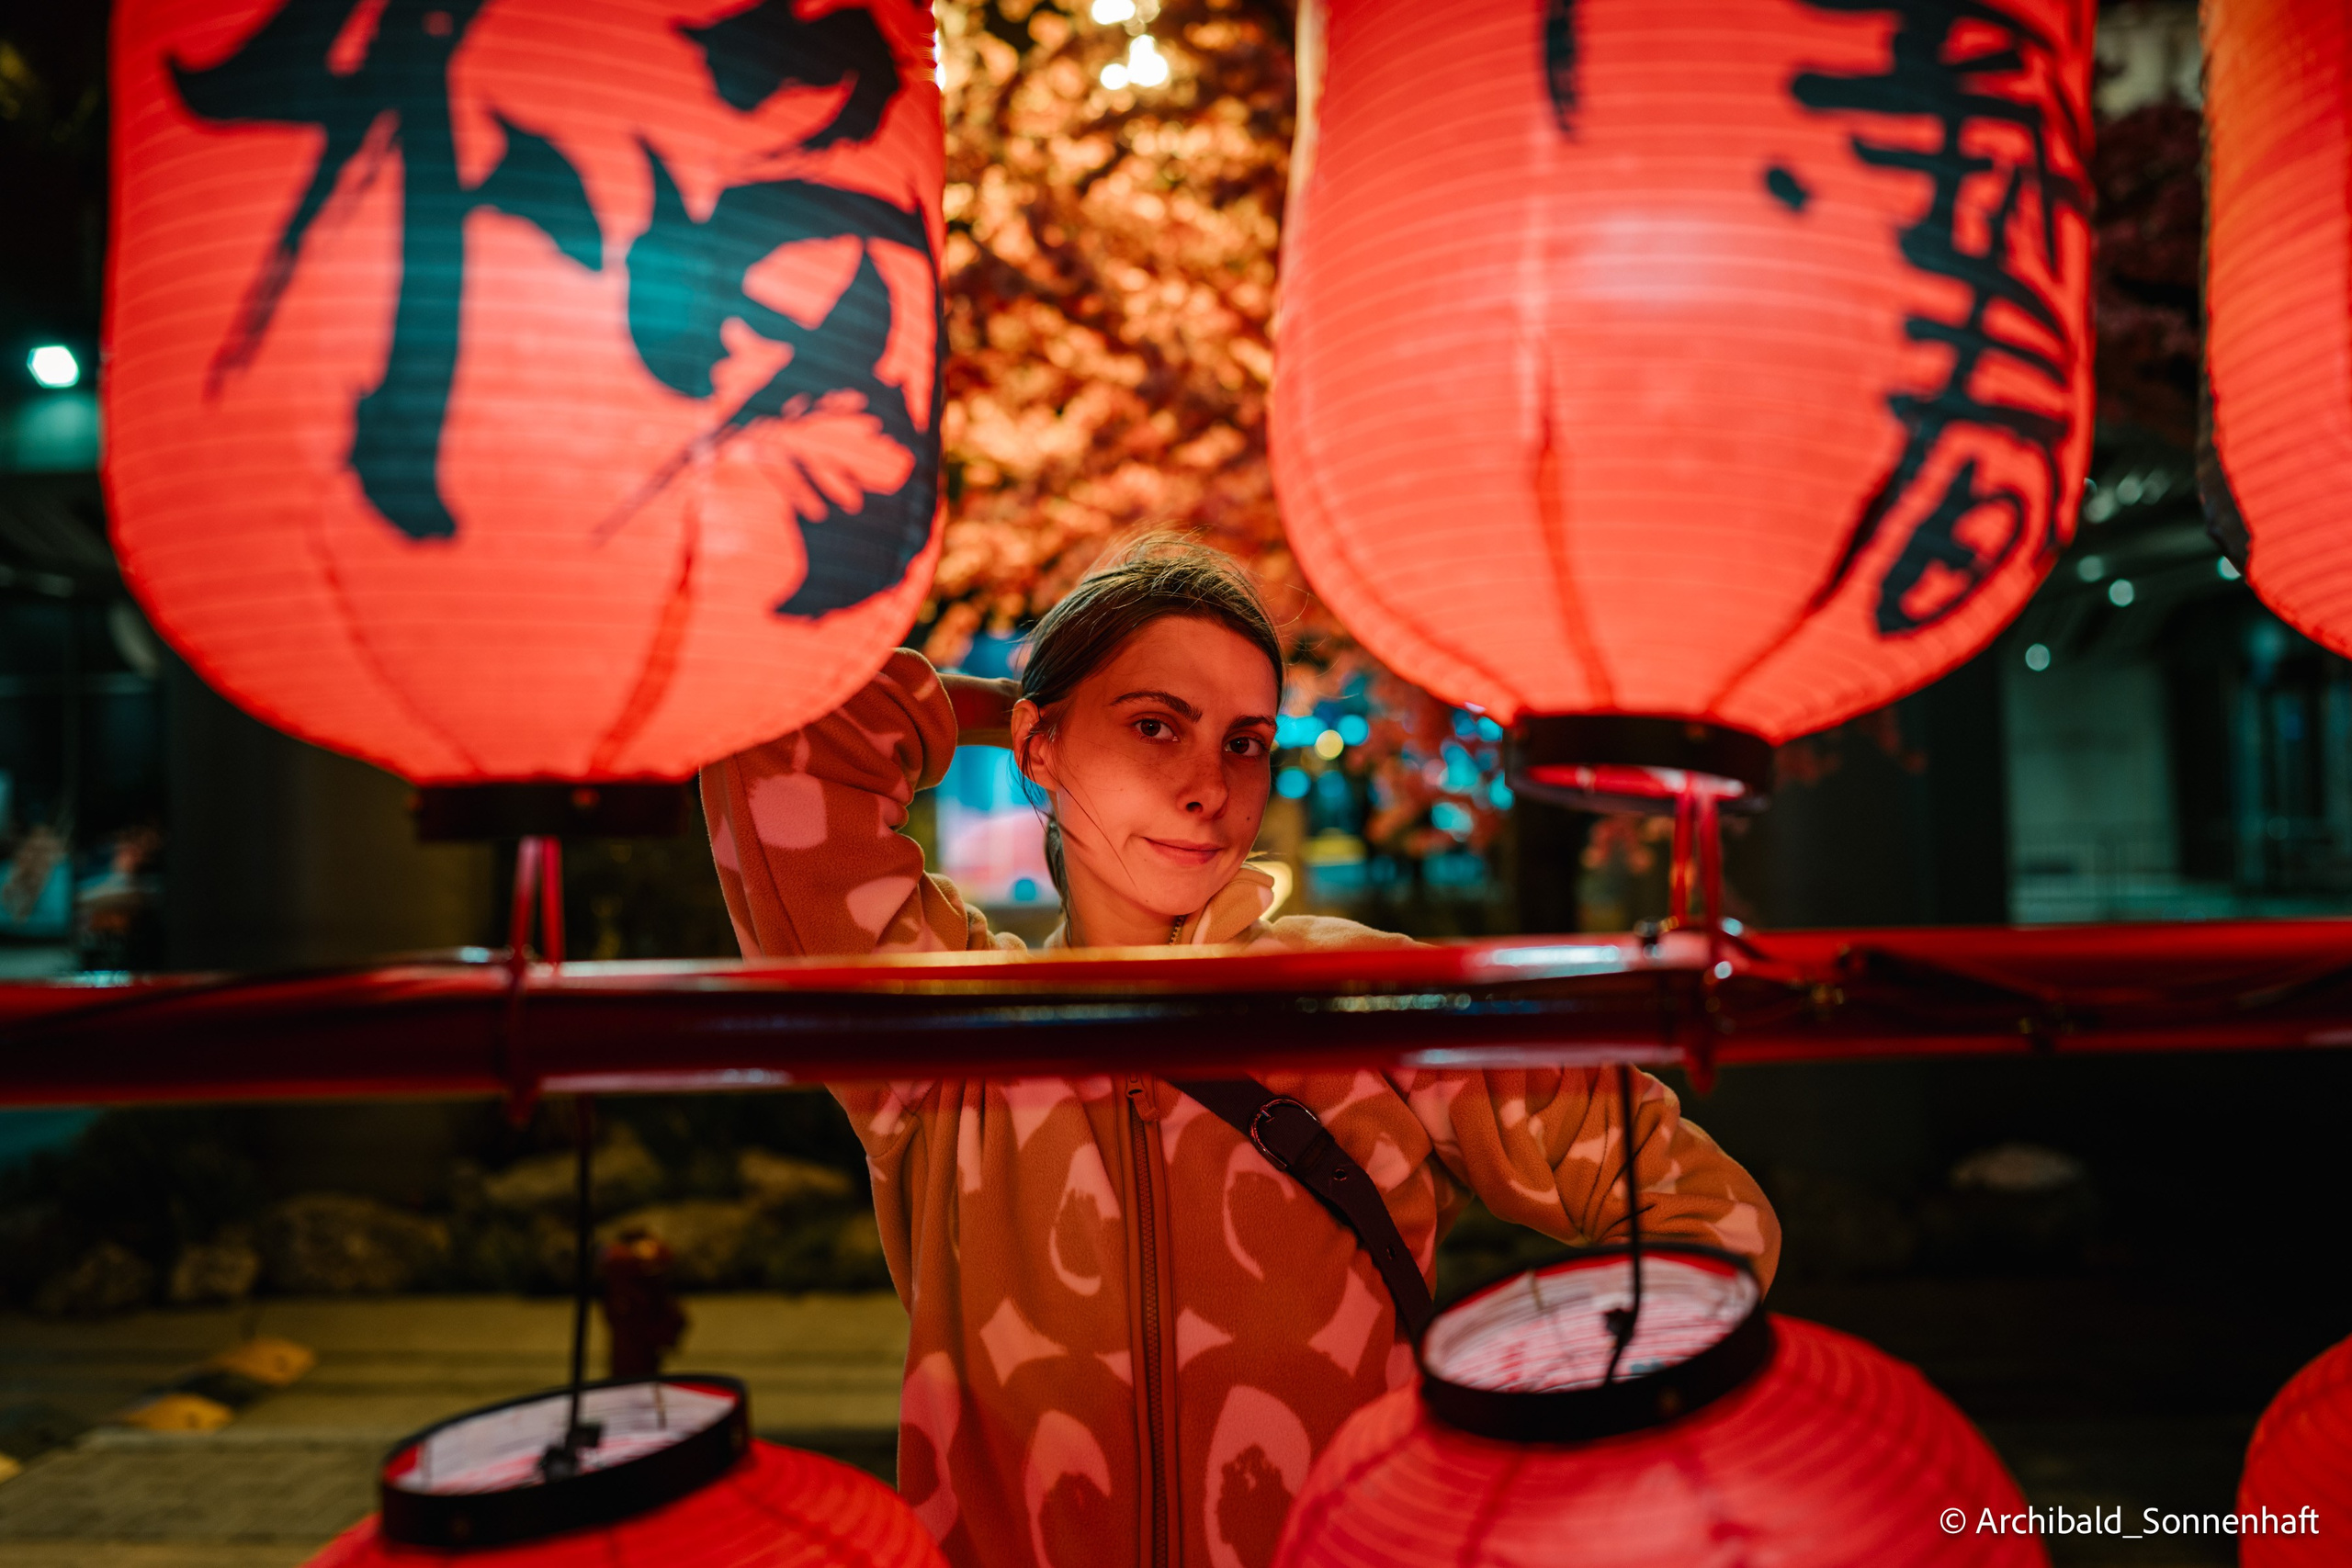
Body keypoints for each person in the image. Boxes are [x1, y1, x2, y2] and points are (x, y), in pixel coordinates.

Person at [701, 536, 1779, 1568]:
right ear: (1040, 748)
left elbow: (1698, 1215)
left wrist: (1528, 1425)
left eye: (1245, 742)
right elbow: (775, 749)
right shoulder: (947, 1035)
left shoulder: (1360, 1003)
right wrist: (1013, 712)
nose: (1208, 787)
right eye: (1156, 727)